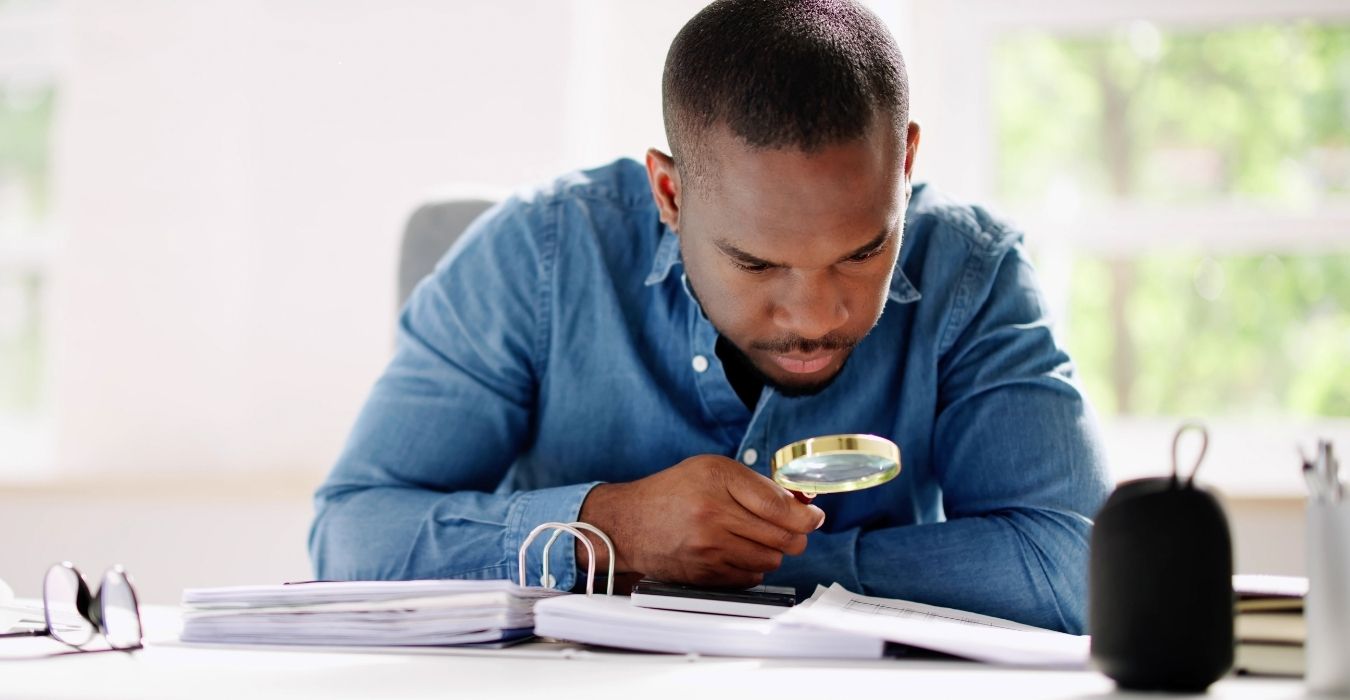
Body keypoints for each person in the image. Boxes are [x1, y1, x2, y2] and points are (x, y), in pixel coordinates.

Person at [309, 0, 1111, 634]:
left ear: (903, 163)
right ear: (670, 192)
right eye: (758, 263)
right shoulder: (536, 254)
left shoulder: (971, 272)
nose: (816, 315)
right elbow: (349, 539)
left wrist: (764, 565)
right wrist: (608, 528)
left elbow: (1078, 566)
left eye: (863, 253)